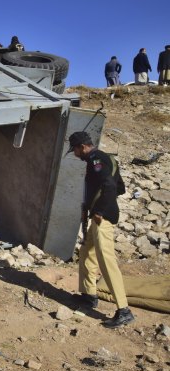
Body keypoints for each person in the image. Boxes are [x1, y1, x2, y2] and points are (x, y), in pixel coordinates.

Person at [67, 131, 135, 328]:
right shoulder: (106, 158)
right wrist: (90, 206)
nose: (75, 154)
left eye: (75, 150)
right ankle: (89, 295)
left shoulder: (96, 160)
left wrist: (99, 210)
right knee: (87, 254)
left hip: (102, 218)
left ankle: (124, 310)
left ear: (82, 147)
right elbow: (120, 187)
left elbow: (111, 186)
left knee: (106, 261)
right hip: (98, 214)